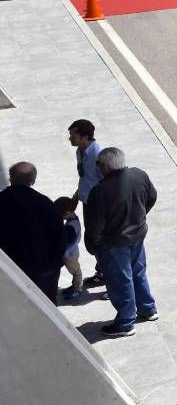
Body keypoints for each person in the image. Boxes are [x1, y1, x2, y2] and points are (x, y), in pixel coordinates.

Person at [85, 147, 158, 337]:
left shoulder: (100, 190)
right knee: (138, 272)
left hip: (113, 242)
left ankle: (125, 322)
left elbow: (95, 224)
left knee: (120, 280)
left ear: (107, 167)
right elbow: (152, 197)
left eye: (99, 164)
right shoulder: (139, 175)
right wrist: (139, 218)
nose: (98, 168)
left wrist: (93, 244)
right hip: (137, 235)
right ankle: (148, 309)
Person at [0, 162, 63, 303]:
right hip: (44, 272)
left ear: (11, 178)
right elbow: (59, 239)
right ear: (32, 181)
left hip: (11, 272)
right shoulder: (46, 204)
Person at [68, 118, 105, 289]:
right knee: (92, 240)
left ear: (85, 137)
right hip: (86, 201)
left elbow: (105, 182)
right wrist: (77, 195)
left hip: (98, 205)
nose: (70, 139)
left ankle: (107, 275)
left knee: (99, 240)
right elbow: (85, 177)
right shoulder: (80, 152)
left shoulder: (99, 155)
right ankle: (102, 271)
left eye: (73, 136)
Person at [53, 197, 84, 301]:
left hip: (69, 255)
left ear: (68, 212)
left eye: (62, 216)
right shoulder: (74, 219)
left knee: (76, 272)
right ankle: (74, 286)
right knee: (75, 271)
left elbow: (67, 240)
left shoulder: (70, 227)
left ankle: (77, 289)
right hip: (72, 252)